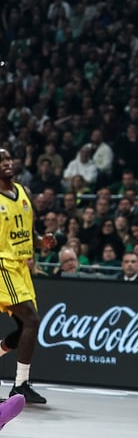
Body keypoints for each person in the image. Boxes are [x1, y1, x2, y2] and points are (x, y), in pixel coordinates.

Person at [0, 148, 49, 406]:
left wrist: (43, 242)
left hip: (20, 268)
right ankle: (20, 386)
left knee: (25, 327)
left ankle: (20, 383)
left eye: (8, 158)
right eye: (1, 160)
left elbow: (32, 234)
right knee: (32, 319)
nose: (6, 162)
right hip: (2, 266)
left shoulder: (24, 192)